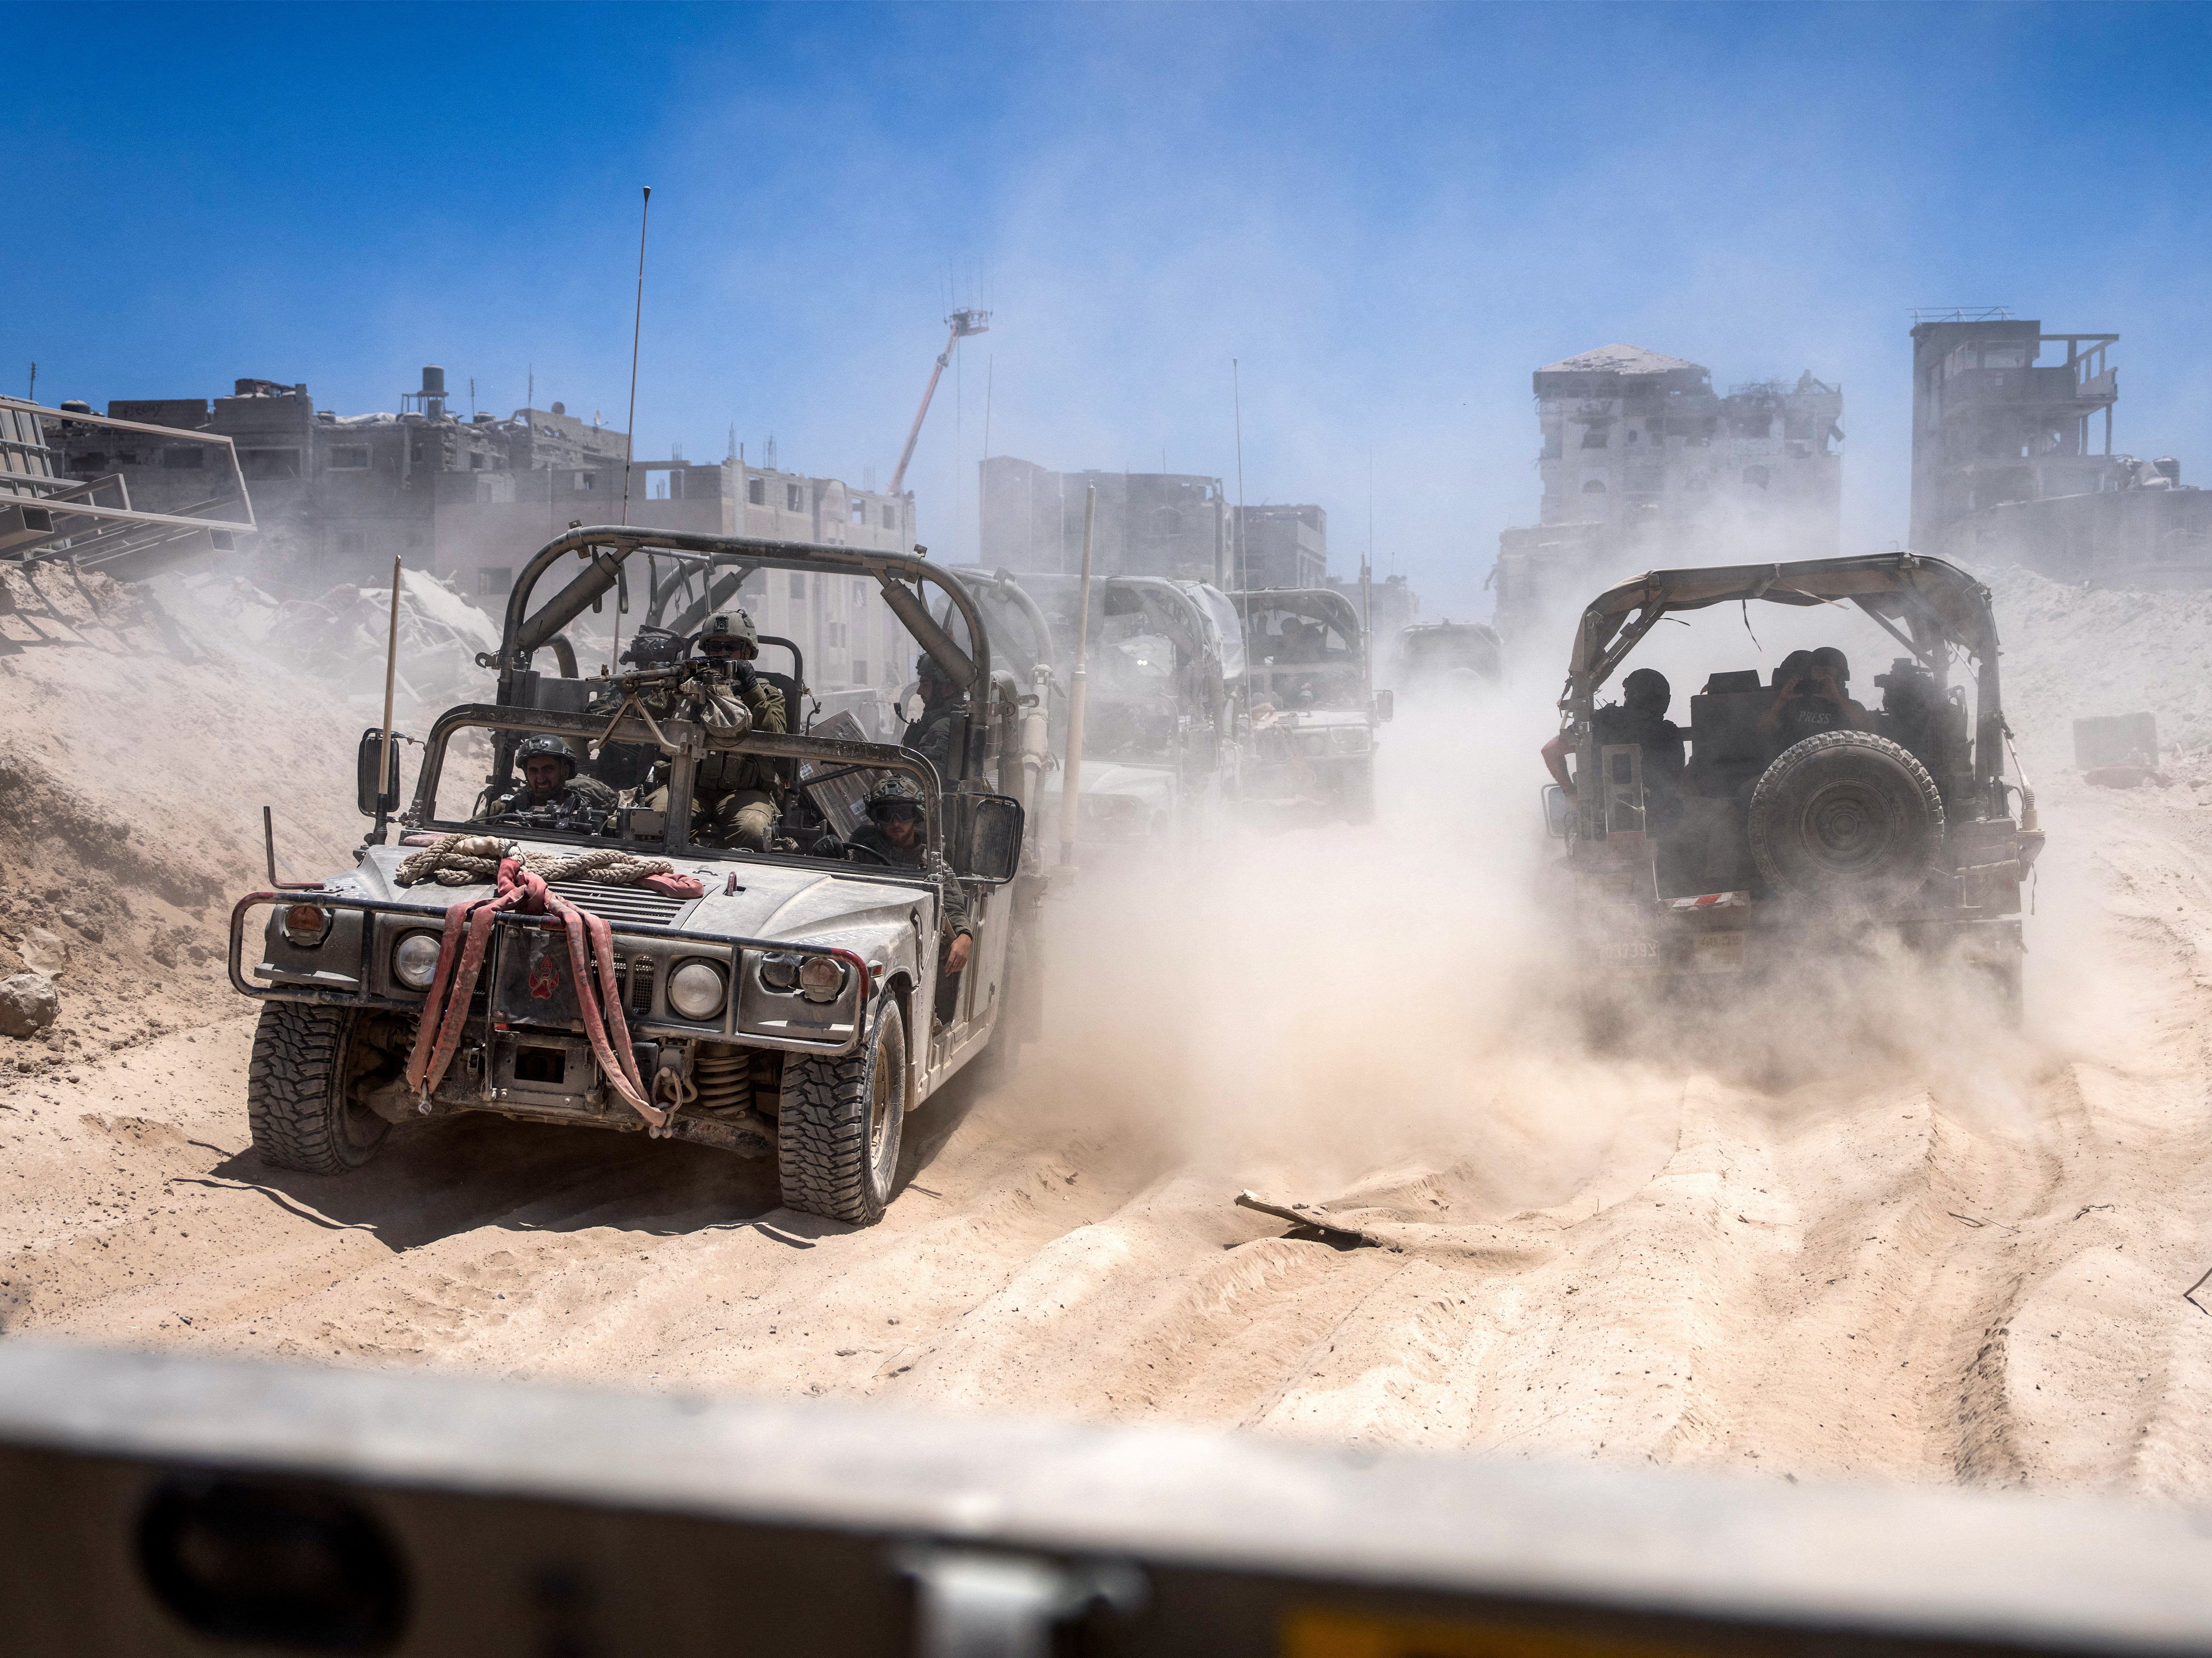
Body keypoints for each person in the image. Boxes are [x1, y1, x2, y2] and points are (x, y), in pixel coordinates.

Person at [638, 607, 788, 851]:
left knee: (752, 832)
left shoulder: (768, 695)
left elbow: (778, 738)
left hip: (746, 793)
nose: (723, 655)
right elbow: (645, 718)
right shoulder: (688, 689)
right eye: (715, 647)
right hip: (685, 784)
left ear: (748, 652)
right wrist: (677, 687)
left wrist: (750, 690)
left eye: (732, 648)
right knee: (657, 824)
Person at [828, 775, 973, 1022]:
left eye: (903, 813)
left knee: (949, 945)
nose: (896, 823)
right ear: (876, 819)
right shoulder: (859, 856)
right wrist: (828, 858)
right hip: (863, 938)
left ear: (916, 816)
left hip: (914, 946)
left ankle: (930, 1016)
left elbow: (952, 906)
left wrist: (965, 936)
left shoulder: (932, 863)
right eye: (887, 815)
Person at [1541, 667, 1686, 826]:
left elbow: (1550, 751)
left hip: (1604, 825)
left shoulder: (1602, 723)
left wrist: (1571, 795)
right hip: (1663, 826)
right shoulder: (1670, 734)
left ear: (1629, 695)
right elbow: (1677, 782)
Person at [1757, 645, 1873, 751]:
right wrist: (1781, 700)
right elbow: (1763, 730)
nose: (1822, 676)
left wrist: (1839, 699)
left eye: (1828, 672)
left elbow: (1870, 735)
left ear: (1840, 678)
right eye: (1817, 670)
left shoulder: (1851, 707)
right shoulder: (1794, 702)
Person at [479, 734, 617, 823]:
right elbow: (465, 837)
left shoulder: (586, 810)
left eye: (548, 769)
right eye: (533, 771)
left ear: (565, 771)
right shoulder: (505, 808)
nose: (540, 778)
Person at [901, 652, 963, 783]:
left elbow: (928, 783)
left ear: (948, 688)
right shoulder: (959, 718)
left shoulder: (940, 729)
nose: (919, 692)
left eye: (925, 685)